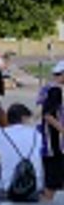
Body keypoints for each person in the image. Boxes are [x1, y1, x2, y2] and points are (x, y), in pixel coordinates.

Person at [38, 61, 64, 196]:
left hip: (48, 139)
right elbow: (48, 115)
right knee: (53, 180)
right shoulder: (56, 90)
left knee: (52, 178)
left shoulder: (48, 88)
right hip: (53, 141)